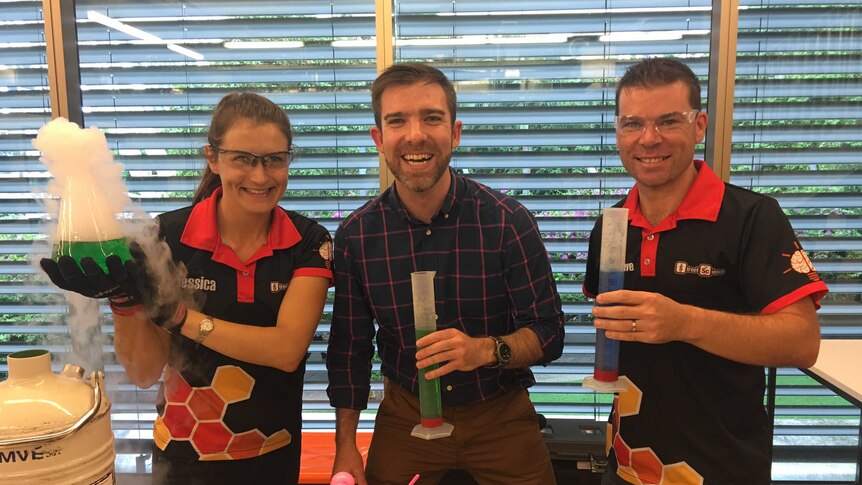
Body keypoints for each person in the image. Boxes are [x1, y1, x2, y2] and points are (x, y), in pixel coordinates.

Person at [40, 92, 333, 484]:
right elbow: (144, 372)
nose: (260, 176)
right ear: (212, 157)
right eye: (242, 159)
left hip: (272, 455)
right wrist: (124, 301)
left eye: (274, 160)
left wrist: (179, 317)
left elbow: (286, 350)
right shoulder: (164, 240)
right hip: (181, 462)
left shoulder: (308, 241)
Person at [583, 58, 829, 485]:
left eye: (667, 122)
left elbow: (801, 341)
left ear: (699, 126)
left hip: (723, 468)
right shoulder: (611, 226)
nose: (649, 139)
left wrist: (684, 321)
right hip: (625, 468)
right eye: (632, 124)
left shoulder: (753, 218)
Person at [326, 62, 565, 485]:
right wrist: (346, 446)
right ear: (379, 139)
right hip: (406, 414)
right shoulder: (357, 236)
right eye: (397, 120)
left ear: (454, 133)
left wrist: (486, 350)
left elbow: (549, 332)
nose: (415, 135)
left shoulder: (507, 221)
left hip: (500, 415)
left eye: (432, 118)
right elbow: (350, 350)